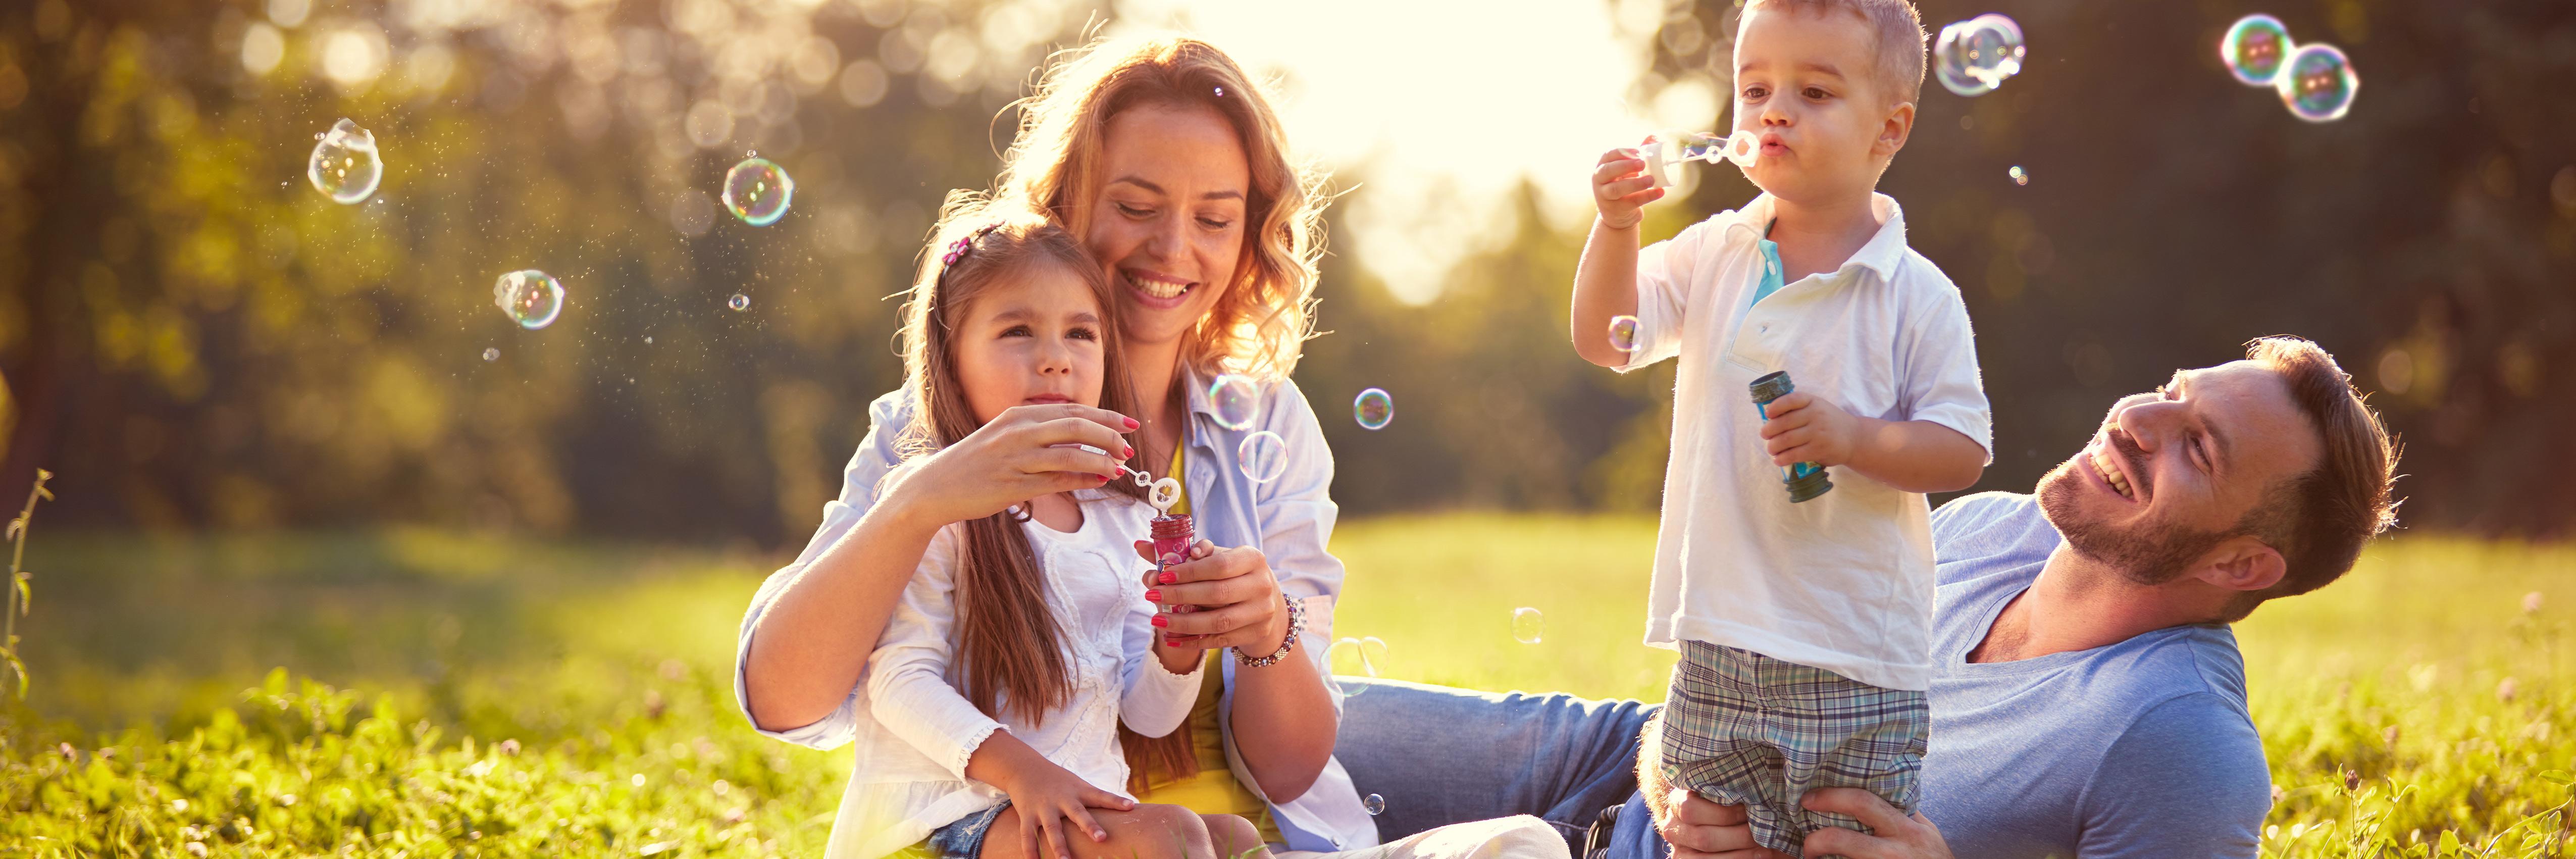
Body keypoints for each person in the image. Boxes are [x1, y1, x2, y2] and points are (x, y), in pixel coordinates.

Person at [740, 34, 1564, 859]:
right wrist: (919, 499)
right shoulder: (939, 425)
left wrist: (1265, 627)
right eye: (1135, 207)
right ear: (1061, 205)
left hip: (1264, 840)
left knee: (1527, 845)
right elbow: (787, 698)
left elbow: (1277, 764)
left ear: (1250, 235)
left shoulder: (1264, 427)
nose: (1174, 249)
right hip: (1033, 831)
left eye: (1213, 218)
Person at [1587, 336, 2400, 858]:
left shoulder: (2178, 740)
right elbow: (1747, 679)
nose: (2135, 416)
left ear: (2240, 565)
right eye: (2170, 388)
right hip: (1620, 762)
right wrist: (1669, 769)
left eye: (2197, 447)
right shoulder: (1982, 528)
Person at [1568, 0, 1988, 852]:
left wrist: (1851, 438)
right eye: (1754, 87)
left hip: (1853, 654)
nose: (1773, 111)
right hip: (1718, 633)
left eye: (1814, 91)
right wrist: (1616, 228)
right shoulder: (1714, 251)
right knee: (1708, 841)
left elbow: (1961, 448)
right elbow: (1604, 337)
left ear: (1889, 128)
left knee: (1841, 841)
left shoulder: (1914, 293)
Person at [854, 215, 1247, 859]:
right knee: (1171, 837)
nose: (1055, 357)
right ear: (950, 363)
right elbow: (897, 682)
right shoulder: (936, 503)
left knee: (1230, 838)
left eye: (1080, 333)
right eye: (1017, 331)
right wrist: (1023, 774)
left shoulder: (1121, 517)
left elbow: (1146, 717)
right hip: (948, 821)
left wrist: (1179, 646)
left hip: (1065, 805)